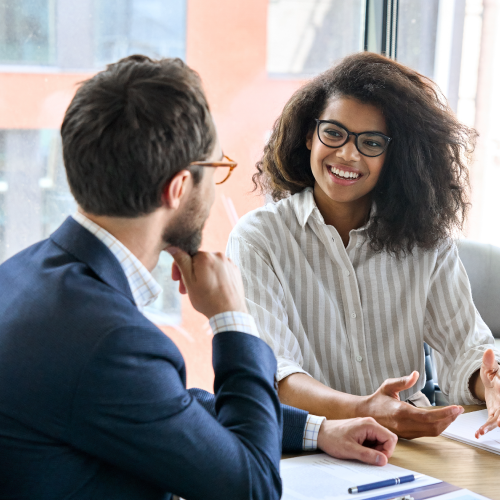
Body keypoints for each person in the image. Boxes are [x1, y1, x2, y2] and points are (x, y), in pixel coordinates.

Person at [0, 55, 398, 500]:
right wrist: (232, 318)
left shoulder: (21, 276)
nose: (216, 186)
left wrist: (316, 430)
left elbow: (162, 407)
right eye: (214, 169)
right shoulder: (107, 341)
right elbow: (253, 488)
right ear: (177, 188)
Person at [227, 52, 500, 440]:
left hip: (411, 443)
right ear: (309, 135)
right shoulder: (259, 239)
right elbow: (275, 374)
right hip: (312, 445)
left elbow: (467, 352)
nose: (348, 154)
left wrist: (489, 383)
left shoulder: (426, 240)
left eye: (371, 142)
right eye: (334, 133)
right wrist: (364, 411)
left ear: (395, 156)